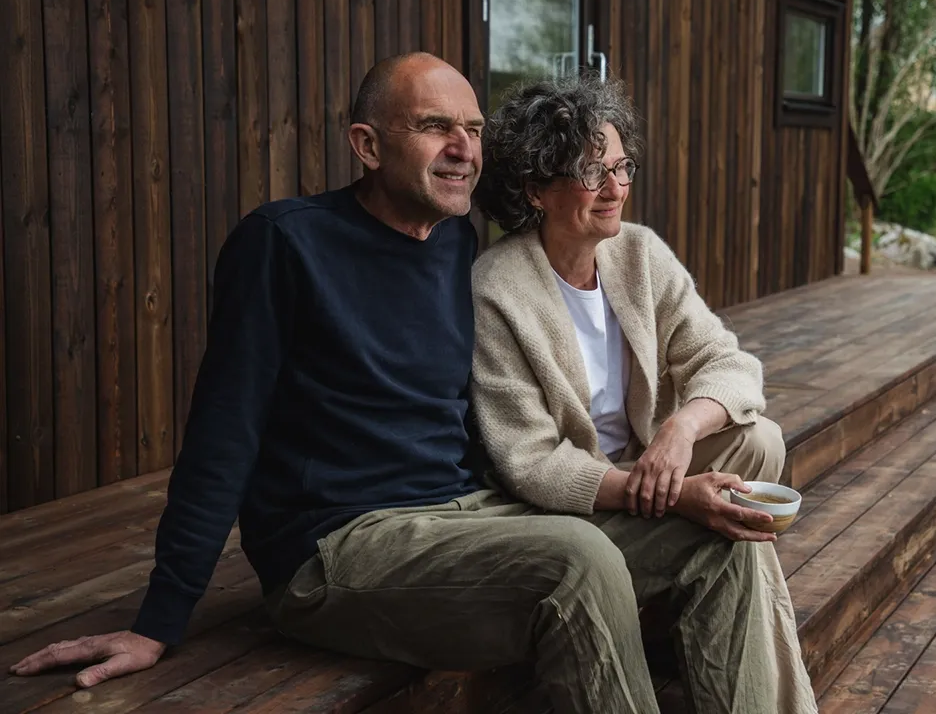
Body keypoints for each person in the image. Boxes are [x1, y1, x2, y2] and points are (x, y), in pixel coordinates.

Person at [8, 53, 796, 714]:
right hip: (338, 547)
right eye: (434, 127)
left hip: (463, 519)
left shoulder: (453, 245)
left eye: (473, 130)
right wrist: (160, 617)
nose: (463, 148)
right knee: (577, 558)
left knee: (722, 538)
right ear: (367, 144)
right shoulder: (284, 244)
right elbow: (223, 433)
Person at [469, 73, 819, 714]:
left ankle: (688, 613)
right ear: (536, 188)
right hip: (568, 511)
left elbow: (729, 363)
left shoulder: (639, 255)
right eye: (590, 171)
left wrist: (680, 430)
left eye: (621, 166)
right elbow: (530, 462)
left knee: (758, 439)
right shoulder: (497, 287)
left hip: (644, 470)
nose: (615, 189)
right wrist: (669, 494)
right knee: (730, 536)